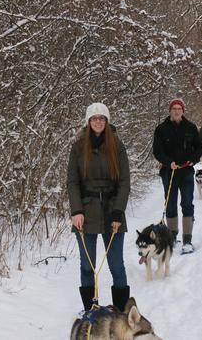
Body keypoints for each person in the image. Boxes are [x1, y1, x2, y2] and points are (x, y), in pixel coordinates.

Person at [67, 102, 131, 312]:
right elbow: (72, 182)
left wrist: (118, 212)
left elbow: (124, 182)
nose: (98, 122)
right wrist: (76, 211)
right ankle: (90, 311)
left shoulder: (117, 145)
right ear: (88, 122)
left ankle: (121, 313)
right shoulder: (78, 147)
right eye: (94, 118)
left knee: (116, 265)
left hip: (113, 211)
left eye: (101, 118)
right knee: (88, 267)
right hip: (86, 212)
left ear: (106, 121)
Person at [153, 98, 202, 254]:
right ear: (170, 111)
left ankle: (187, 240)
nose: (176, 111)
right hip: (169, 172)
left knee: (187, 203)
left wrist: (193, 160)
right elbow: (157, 151)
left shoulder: (191, 127)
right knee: (170, 204)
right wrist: (168, 162)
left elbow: (199, 147)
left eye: (179, 108)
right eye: (173, 108)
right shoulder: (161, 129)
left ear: (183, 111)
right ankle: (172, 237)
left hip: (186, 171)